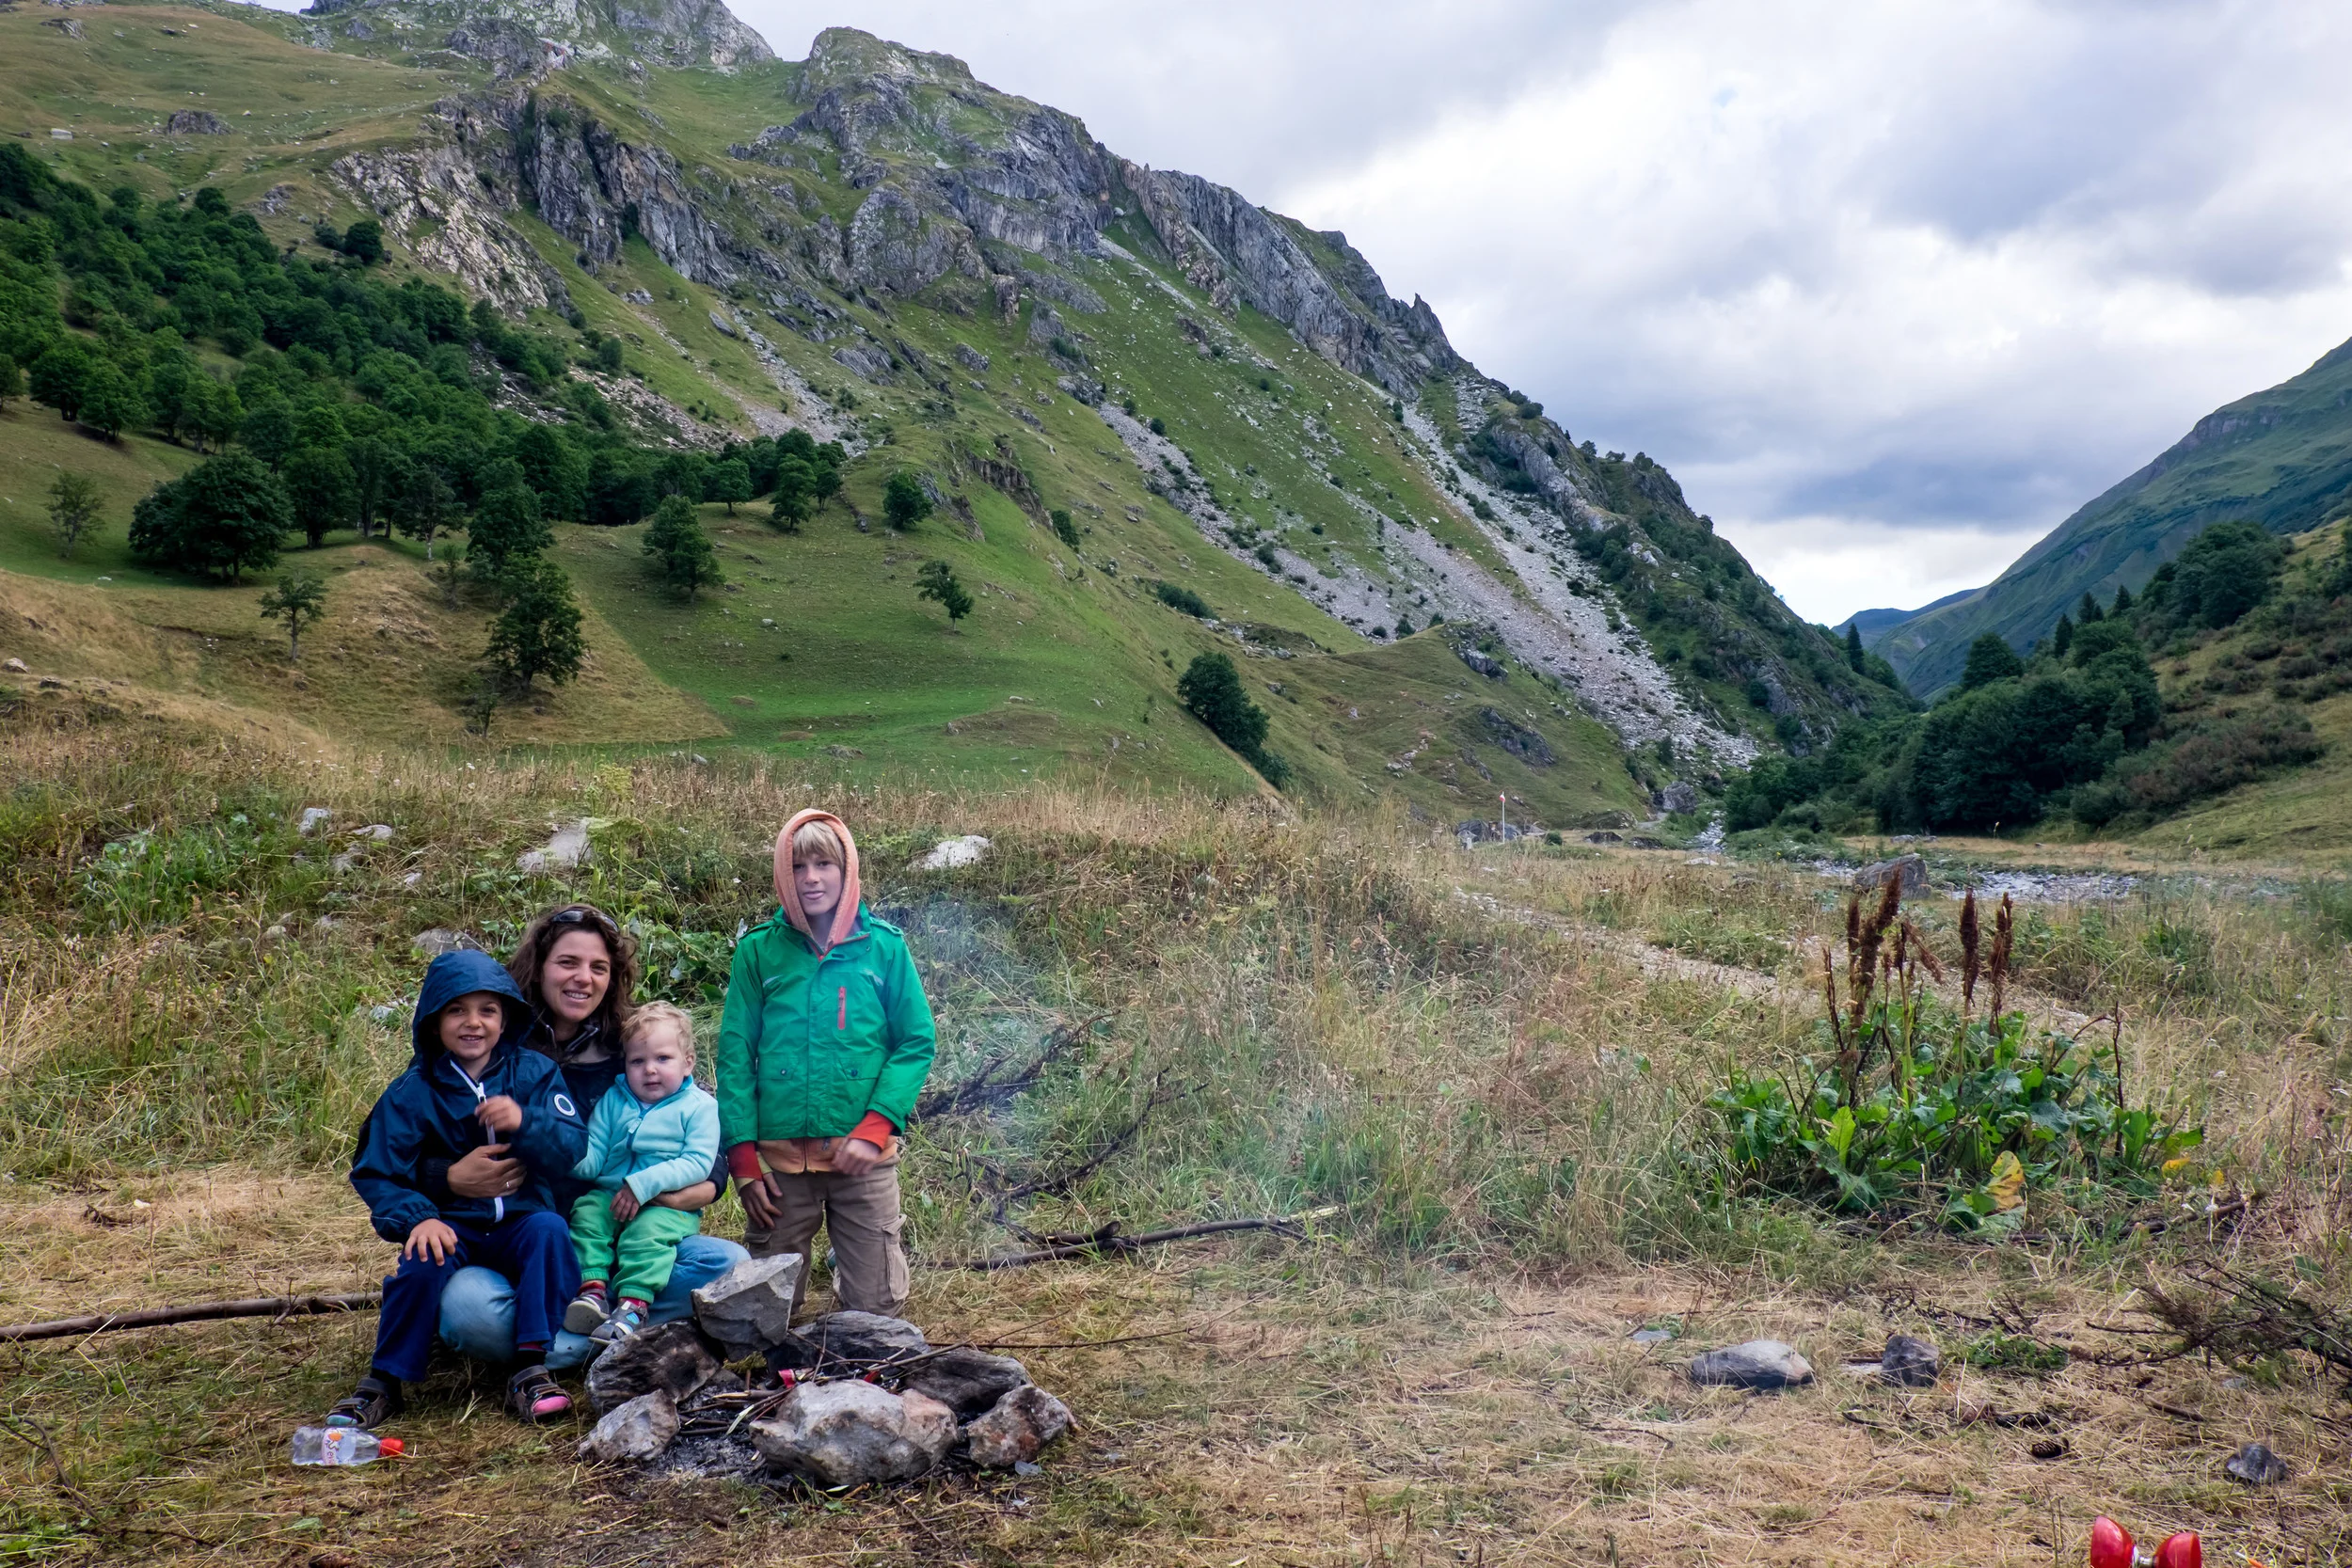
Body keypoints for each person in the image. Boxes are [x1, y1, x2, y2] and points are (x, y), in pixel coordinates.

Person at [434, 905, 745, 1368]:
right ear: (538, 967)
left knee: (729, 1263)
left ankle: (580, 1332)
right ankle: (599, 1336)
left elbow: (699, 1129)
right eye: (567, 963)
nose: (583, 978)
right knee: (469, 1307)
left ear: (612, 978)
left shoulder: (629, 1050)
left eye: (598, 967)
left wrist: (702, 1186)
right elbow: (419, 1145)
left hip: (624, 1229)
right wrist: (448, 1177)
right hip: (519, 1244)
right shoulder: (490, 1042)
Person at [339, 950, 586, 1426]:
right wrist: (420, 1216)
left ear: (506, 1017)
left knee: (549, 1231)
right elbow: (377, 1171)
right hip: (451, 1222)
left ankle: (531, 1367)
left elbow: (572, 1146)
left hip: (519, 1219)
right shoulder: (413, 1090)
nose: (473, 1023)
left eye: (487, 1011)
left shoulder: (533, 1074)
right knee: (421, 1259)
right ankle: (383, 1382)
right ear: (433, 1022)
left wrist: (525, 1121)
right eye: (457, 1010)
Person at [718, 810, 937, 1321]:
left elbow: (915, 1042)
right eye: (797, 866)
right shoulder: (757, 953)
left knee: (877, 1310)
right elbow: (734, 1059)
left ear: (847, 870)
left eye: (824, 864)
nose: (811, 878)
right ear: (781, 874)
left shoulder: (884, 947)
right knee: (763, 1313)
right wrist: (744, 1163)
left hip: (862, 1158)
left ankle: (852, 1267)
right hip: (779, 1167)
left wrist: (875, 1128)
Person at [564, 1003, 721, 1344]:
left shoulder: (699, 1107)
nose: (649, 1070)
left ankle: (633, 1305)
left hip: (666, 1206)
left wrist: (643, 1185)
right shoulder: (613, 1100)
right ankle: (591, 1291)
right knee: (587, 1214)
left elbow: (697, 1162)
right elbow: (594, 1155)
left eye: (663, 1059)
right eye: (638, 1061)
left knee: (645, 1235)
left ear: (688, 1062)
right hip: (611, 1195)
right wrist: (566, 1154)